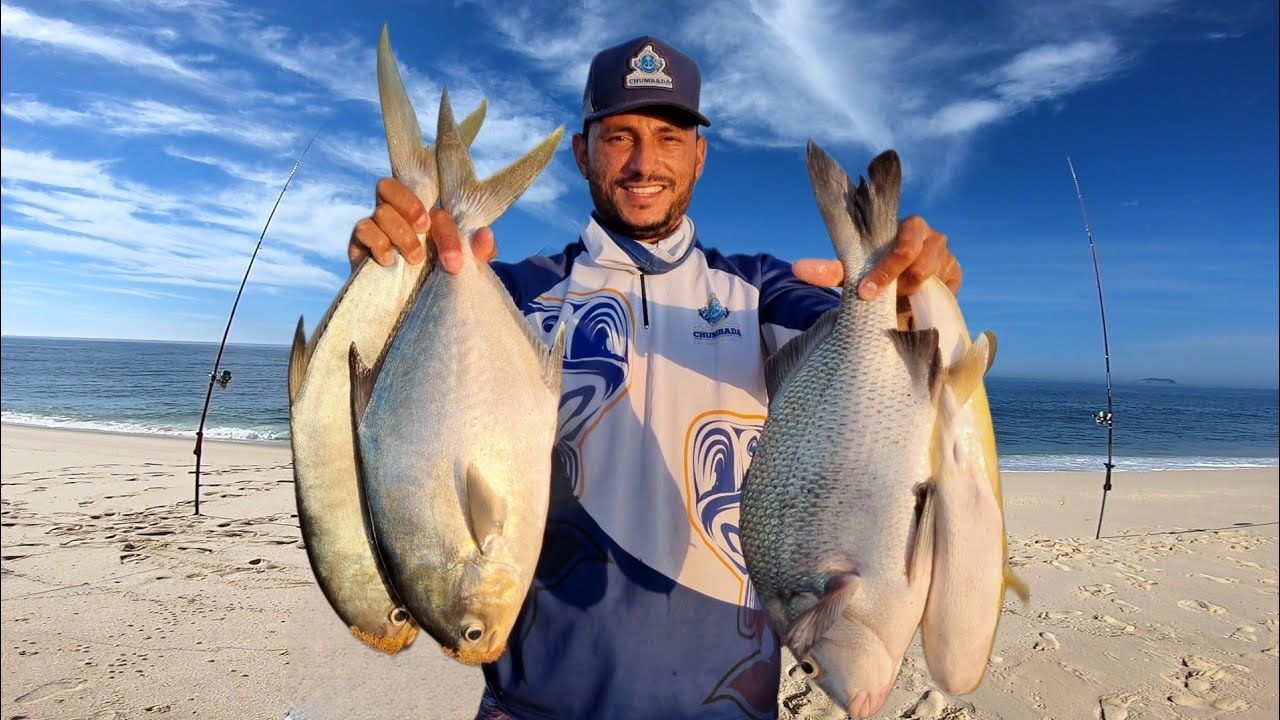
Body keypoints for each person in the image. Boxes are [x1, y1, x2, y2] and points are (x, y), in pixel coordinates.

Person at [348, 36, 961, 720]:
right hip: (532, 707)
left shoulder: (762, 290)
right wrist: (389, 285)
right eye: (619, 136)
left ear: (699, 155)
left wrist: (911, 293)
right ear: (583, 152)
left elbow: (874, 358)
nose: (644, 162)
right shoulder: (509, 296)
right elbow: (401, 436)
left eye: (669, 138)